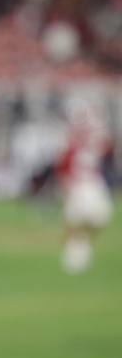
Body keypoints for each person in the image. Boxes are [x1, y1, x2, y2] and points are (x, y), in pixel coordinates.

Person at [55, 96, 115, 273]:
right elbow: (62, 164)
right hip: (77, 184)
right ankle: (72, 254)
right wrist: (65, 184)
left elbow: (106, 154)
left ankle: (81, 245)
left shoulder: (96, 140)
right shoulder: (70, 140)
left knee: (101, 217)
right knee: (75, 220)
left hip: (94, 183)